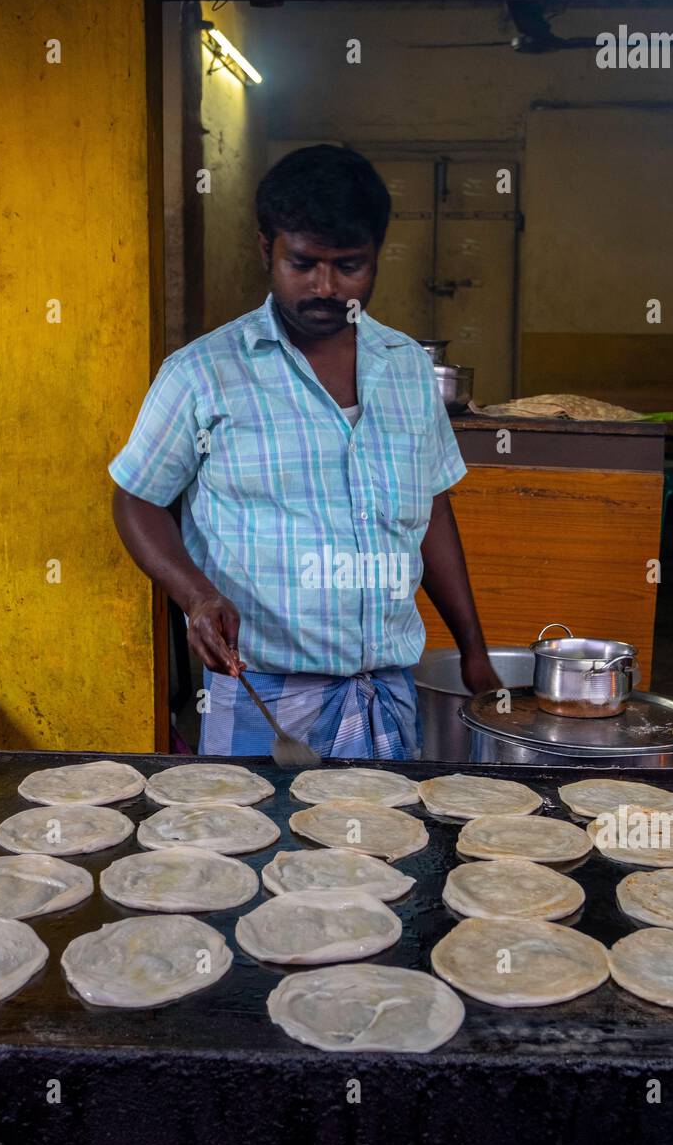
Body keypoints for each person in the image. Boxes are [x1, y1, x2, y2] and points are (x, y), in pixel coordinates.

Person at [110, 143, 496, 758]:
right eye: (304, 263)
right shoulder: (203, 374)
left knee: (389, 850)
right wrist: (196, 595)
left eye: (350, 266)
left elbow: (431, 510)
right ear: (268, 250)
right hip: (262, 700)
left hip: (386, 695)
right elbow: (136, 501)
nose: (325, 287)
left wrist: (473, 650)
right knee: (258, 851)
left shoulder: (405, 371)